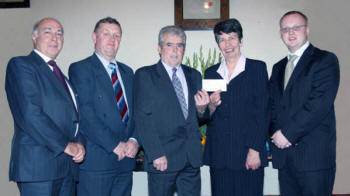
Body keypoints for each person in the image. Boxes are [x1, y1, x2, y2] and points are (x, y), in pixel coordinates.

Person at [5, 17, 85, 196]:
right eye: (47, 32)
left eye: (59, 33)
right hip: (38, 168)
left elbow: (74, 118)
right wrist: (66, 145)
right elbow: (29, 114)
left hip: (66, 168)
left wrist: (80, 143)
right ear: (34, 37)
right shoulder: (21, 65)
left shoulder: (62, 77)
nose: (55, 38)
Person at [269, 11, 340, 196]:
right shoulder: (278, 67)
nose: (290, 32)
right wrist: (274, 134)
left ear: (307, 30)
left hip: (313, 158)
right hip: (284, 158)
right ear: (280, 34)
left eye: (296, 27)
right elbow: (273, 106)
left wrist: (287, 134)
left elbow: (318, 105)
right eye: (285, 28)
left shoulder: (325, 60)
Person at [134, 25, 209, 196]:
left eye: (180, 45)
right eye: (169, 45)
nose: (175, 50)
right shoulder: (145, 75)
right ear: (159, 48)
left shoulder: (194, 75)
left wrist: (202, 109)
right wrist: (156, 154)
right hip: (163, 159)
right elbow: (142, 118)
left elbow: (199, 118)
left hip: (191, 158)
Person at [68, 17, 138, 196]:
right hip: (97, 162)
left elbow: (138, 112)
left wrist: (134, 140)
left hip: (125, 162)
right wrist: (114, 144)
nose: (112, 39)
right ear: (94, 37)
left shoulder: (128, 72)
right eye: (106, 34)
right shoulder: (81, 69)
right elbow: (86, 114)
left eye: (117, 35)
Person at [202, 19, 269, 196]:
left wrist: (255, 150)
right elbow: (207, 117)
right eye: (222, 40)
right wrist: (210, 105)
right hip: (220, 155)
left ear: (241, 40)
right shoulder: (211, 72)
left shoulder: (257, 68)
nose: (227, 44)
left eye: (232, 38)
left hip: (248, 153)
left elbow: (263, 113)